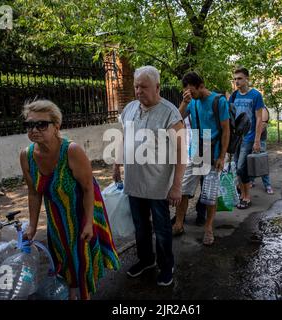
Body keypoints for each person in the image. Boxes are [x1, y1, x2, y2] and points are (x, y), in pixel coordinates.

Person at [20, 99, 120, 300]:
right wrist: (31, 225)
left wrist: (89, 223)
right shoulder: (26, 155)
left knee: (81, 259)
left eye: (41, 124)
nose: (34, 129)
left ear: (56, 126)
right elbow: (34, 192)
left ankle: (82, 294)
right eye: (29, 125)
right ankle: (72, 292)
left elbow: (88, 188)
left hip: (82, 210)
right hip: (57, 216)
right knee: (62, 256)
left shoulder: (71, 151)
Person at [113, 66, 185, 286]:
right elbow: (124, 138)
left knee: (162, 230)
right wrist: (117, 164)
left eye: (143, 87)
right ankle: (146, 260)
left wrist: (176, 187)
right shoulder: (130, 108)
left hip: (158, 186)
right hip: (134, 183)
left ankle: (166, 266)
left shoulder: (170, 113)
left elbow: (182, 153)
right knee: (140, 226)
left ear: (157, 87)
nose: (138, 91)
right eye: (136, 86)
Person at [172, 71, 230, 246]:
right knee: (183, 190)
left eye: (192, 91)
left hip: (213, 150)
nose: (191, 94)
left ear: (201, 86)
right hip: (196, 150)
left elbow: (226, 130)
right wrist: (184, 102)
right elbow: (177, 118)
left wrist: (222, 156)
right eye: (187, 91)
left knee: (210, 194)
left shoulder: (219, 101)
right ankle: (179, 224)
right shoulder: (192, 102)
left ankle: (208, 228)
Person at [230, 67, 264, 209]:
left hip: (248, 137)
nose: (237, 81)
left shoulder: (256, 95)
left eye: (239, 78)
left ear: (247, 79)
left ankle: (247, 197)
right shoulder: (234, 95)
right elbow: (230, 116)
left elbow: (259, 118)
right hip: (236, 138)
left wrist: (257, 140)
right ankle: (242, 194)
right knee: (238, 167)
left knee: (240, 167)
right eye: (235, 79)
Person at [250, 106, 273, 194]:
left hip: (259, 140)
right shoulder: (252, 108)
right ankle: (251, 180)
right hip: (249, 139)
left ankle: (267, 185)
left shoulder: (262, 108)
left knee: (261, 162)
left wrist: (256, 140)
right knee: (250, 161)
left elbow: (263, 125)